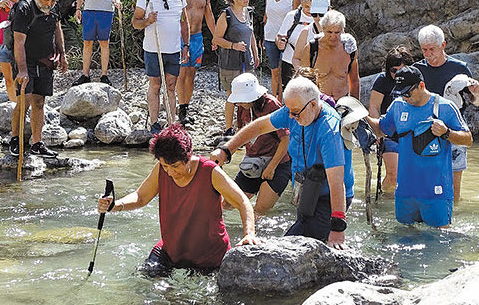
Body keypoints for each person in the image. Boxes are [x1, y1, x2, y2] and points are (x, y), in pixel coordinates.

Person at [97, 124, 260, 276]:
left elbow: (242, 201)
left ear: (188, 157)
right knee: (148, 285)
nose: (169, 172)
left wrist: (249, 234)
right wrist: (115, 205)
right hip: (170, 251)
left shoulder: (210, 172)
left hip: (209, 258)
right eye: (165, 166)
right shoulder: (161, 169)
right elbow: (141, 197)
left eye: (175, 166)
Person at [210, 77, 354, 249]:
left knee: (290, 245)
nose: (291, 117)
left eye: (295, 113)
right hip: (308, 189)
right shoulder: (296, 111)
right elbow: (259, 127)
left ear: (313, 105)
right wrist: (227, 150)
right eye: (289, 112)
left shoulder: (329, 129)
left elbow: (337, 183)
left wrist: (337, 228)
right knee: (302, 235)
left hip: (330, 200)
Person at [364, 66, 472, 228]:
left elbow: (468, 139)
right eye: (401, 93)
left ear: (421, 86)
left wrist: (446, 132)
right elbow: (380, 129)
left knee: (440, 239)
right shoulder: (398, 106)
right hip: (405, 191)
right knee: (404, 237)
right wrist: (360, 116)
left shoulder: (444, 107)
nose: (404, 97)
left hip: (436, 192)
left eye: (407, 93)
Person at [413, 24, 479, 201]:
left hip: (454, 131)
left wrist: (476, 92)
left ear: (443, 45)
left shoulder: (459, 68)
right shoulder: (417, 70)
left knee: (452, 186)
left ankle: (451, 217)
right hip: (424, 132)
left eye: (432, 49)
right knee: (424, 184)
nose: (428, 54)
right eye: (424, 50)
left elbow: (477, 102)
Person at [9, 0, 68, 157]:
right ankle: (15, 140)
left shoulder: (53, 6)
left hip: (45, 60)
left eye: (53, 0)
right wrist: (22, 70)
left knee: (39, 102)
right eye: (46, 0)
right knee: (24, 101)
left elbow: (57, 28)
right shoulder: (24, 8)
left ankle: (37, 144)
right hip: (25, 60)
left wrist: (62, 53)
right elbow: (18, 42)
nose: (49, 4)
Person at [219, 73, 291, 217]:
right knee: (226, 204)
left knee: (259, 210)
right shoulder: (242, 107)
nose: (239, 104)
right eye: (237, 101)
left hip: (278, 162)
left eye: (241, 100)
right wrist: (225, 154)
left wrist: (272, 167)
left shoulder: (271, 105)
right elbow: (242, 134)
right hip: (254, 161)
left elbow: (286, 139)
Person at [132, 0, 190, 134]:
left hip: (173, 50)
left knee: (171, 85)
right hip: (153, 49)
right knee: (155, 84)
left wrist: (185, 45)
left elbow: (184, 22)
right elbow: (136, 23)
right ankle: (155, 123)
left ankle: (172, 123)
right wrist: (148, 21)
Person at [212, 0, 260, 136]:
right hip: (230, 62)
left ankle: (247, 126)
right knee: (232, 95)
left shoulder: (248, 13)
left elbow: (250, 33)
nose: (247, 0)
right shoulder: (226, 15)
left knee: (251, 94)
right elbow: (217, 39)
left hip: (247, 60)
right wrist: (234, 45)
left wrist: (256, 52)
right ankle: (228, 128)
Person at [369, 46, 414, 193]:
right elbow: (374, 107)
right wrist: (378, 133)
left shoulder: (415, 80)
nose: (397, 74)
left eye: (401, 70)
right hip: (388, 134)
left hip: (410, 135)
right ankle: (386, 204)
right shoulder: (383, 80)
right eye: (394, 71)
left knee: (408, 175)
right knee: (393, 174)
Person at [176, 0, 216, 125]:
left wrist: (215, 37)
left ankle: (186, 106)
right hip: (180, 37)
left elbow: (209, 16)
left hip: (197, 37)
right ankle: (180, 108)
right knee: (182, 71)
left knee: (191, 73)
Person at [298, 10, 360, 101]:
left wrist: (355, 106)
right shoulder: (312, 49)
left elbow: (354, 80)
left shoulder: (349, 50)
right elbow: (302, 81)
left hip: (342, 102)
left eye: (337, 32)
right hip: (320, 103)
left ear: (342, 30)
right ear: (323, 29)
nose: (333, 37)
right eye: (329, 32)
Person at [263, 0, 300, 101]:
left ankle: (288, 98)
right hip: (270, 37)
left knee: (287, 70)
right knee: (274, 71)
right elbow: (266, 17)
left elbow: (297, 19)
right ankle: (276, 101)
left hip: (287, 41)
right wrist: (263, 38)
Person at [275, 0, 318, 89]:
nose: (310, 10)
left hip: (312, 65)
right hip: (289, 61)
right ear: (301, 4)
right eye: (307, 6)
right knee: (289, 91)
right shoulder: (292, 16)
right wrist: (280, 43)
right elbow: (279, 36)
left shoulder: (321, 18)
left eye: (313, 7)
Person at [291, 0, 330, 69]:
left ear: (329, 10)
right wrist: (302, 73)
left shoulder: (337, 30)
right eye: (314, 14)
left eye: (322, 14)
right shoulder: (306, 32)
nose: (318, 18)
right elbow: (296, 58)